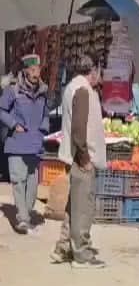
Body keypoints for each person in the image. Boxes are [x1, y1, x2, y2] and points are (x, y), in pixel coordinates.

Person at [51, 55, 105, 268]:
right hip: (81, 158)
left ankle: (63, 247)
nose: (101, 76)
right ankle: (81, 254)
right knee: (83, 207)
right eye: (100, 70)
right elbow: (79, 130)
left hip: (74, 155)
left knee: (74, 206)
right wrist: (84, 158)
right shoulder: (83, 90)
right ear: (93, 70)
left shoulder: (73, 87)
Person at [0, 54, 50, 234]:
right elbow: (1, 110)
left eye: (38, 70)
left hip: (34, 144)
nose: (36, 73)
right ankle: (22, 219)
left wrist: (43, 129)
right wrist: (14, 124)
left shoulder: (43, 91)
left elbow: (46, 113)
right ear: (25, 71)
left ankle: (25, 214)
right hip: (16, 143)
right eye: (32, 70)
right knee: (18, 181)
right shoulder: (13, 90)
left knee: (33, 183)